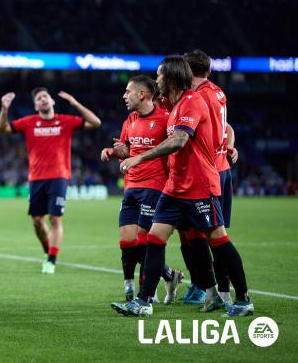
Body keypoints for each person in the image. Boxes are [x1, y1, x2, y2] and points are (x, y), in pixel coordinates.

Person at [112, 56, 253, 317]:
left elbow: (178, 141)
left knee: (218, 240)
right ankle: (143, 302)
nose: (157, 81)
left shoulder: (192, 101)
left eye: (160, 76)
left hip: (199, 186)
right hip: (175, 188)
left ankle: (243, 299)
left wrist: (139, 157)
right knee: (153, 239)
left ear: (172, 77)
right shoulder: (174, 103)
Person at [0, 87, 101, 274]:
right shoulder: (29, 122)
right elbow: (2, 128)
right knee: (37, 221)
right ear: (36, 106)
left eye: (45, 96)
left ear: (52, 101)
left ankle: (51, 260)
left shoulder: (66, 121)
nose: (43, 99)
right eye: (39, 98)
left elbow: (95, 122)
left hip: (59, 177)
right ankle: (48, 250)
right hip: (36, 178)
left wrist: (75, 103)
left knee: (55, 218)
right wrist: (5, 108)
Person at [101, 75, 183, 304]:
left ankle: (144, 293)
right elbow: (129, 151)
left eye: (128, 91)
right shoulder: (130, 120)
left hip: (154, 186)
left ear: (142, 94)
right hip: (131, 186)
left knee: (146, 243)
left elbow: (176, 147)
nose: (124, 96)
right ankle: (169, 275)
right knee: (127, 243)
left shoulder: (166, 119)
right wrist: (113, 151)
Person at [185, 49, 239, 306]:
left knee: (210, 237)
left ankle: (219, 292)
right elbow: (227, 127)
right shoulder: (218, 92)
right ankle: (216, 291)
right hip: (222, 167)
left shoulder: (198, 96)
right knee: (213, 235)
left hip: (210, 172)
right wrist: (228, 145)